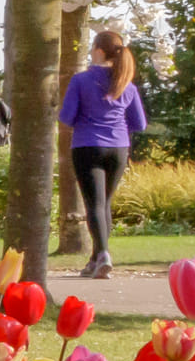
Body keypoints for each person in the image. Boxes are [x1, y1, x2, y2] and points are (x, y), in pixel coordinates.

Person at [60, 27, 151, 279]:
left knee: (94, 205)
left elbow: (66, 117)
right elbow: (140, 124)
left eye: (92, 49)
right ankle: (95, 260)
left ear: (99, 52)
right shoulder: (126, 85)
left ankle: (103, 255)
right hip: (118, 148)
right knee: (104, 204)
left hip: (87, 145)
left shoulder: (80, 80)